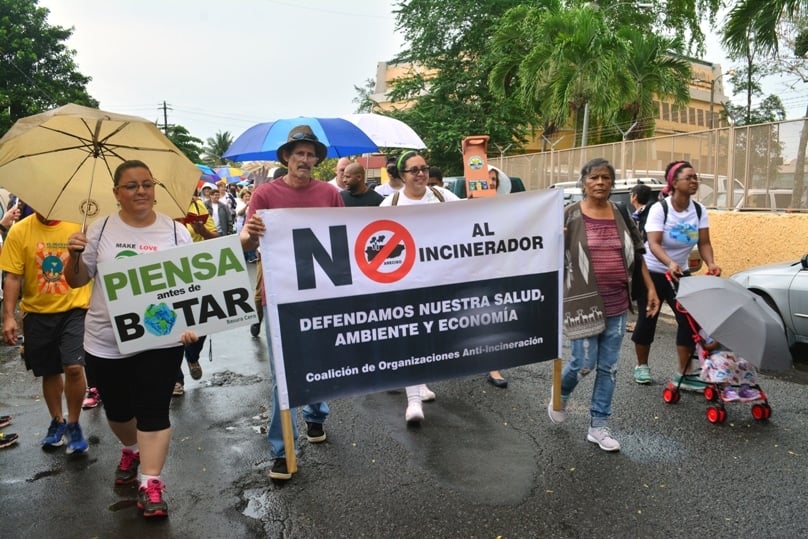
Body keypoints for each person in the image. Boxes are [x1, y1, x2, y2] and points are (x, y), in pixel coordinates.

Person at [65, 159, 196, 518]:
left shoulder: (174, 232)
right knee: (120, 409)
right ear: (116, 193)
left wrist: (191, 323)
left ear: (155, 189)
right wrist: (73, 255)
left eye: (147, 184)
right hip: (106, 339)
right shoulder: (99, 229)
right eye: (131, 185)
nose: (141, 191)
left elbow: (191, 286)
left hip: (161, 337)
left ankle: (150, 482)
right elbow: (76, 281)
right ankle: (131, 447)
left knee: (153, 407)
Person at [240, 125, 343, 481]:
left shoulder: (330, 193)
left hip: (320, 293)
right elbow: (246, 244)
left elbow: (343, 235)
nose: (305, 159)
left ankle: (316, 415)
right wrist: (249, 235)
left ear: (317, 160)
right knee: (281, 373)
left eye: (310, 154)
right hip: (279, 294)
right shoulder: (265, 195)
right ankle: (283, 449)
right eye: (298, 153)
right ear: (286, 157)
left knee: (318, 358)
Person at [547, 158, 660, 452]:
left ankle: (598, 425)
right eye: (594, 177)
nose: (600, 182)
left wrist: (650, 289)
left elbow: (638, 253)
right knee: (583, 363)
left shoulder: (621, 213)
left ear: (612, 183)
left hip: (618, 303)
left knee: (608, 368)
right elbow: (547, 254)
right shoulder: (568, 215)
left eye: (606, 178)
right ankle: (560, 394)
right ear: (583, 182)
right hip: (581, 302)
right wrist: (554, 240)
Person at [0, 209, 92, 455]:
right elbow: (12, 277)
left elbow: (93, 265)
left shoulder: (78, 224)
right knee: (50, 371)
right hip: (37, 313)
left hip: (75, 309)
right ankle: (57, 421)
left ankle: (73, 424)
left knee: (74, 367)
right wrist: (9, 316)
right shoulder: (20, 231)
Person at [380, 151, 459, 424]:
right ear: (402, 175)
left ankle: (421, 382)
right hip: (403, 281)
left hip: (438, 277)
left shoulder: (442, 197)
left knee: (430, 335)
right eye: (414, 170)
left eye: (424, 168)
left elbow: (473, 218)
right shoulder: (389, 204)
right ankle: (413, 400)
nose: (421, 174)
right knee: (410, 335)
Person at [631, 160, 721, 388]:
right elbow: (654, 243)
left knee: (688, 320)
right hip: (652, 271)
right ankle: (642, 365)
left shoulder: (698, 210)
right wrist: (670, 262)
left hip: (680, 273)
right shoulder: (659, 209)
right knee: (648, 318)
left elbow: (704, 242)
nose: (694, 181)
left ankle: (684, 373)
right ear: (674, 182)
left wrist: (711, 262)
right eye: (688, 177)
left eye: (695, 177)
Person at [174, 195, 220, 396]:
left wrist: (202, 231)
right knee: (170, 326)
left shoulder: (197, 205)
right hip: (170, 275)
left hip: (197, 271)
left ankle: (192, 356)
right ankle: (176, 379)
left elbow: (217, 238)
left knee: (203, 320)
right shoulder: (156, 213)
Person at [249, 166, 286, 338]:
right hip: (266, 255)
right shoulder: (266, 196)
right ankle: (258, 319)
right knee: (260, 294)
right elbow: (251, 228)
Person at [483, 166, 508, 389]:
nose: (490, 183)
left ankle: (494, 366)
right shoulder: (461, 207)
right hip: (467, 275)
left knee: (495, 320)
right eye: (485, 179)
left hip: (496, 273)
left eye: (493, 180)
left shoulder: (504, 209)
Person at [696, 329, 760, 401]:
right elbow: (705, 347)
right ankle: (727, 390)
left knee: (745, 363)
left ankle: (745, 388)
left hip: (731, 354)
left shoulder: (730, 329)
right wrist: (718, 339)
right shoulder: (705, 331)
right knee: (723, 364)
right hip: (716, 355)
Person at [625, 183, 654, 334]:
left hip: (648, 260)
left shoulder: (648, 213)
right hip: (642, 259)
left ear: (634, 196)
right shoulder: (638, 213)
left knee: (646, 293)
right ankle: (640, 322)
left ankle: (641, 324)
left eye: (631, 194)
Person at [236, 188, 258, 263]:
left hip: (249, 224)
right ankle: (245, 256)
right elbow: (239, 213)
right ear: (242, 197)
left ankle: (251, 256)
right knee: (243, 240)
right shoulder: (240, 204)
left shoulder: (253, 204)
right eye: (246, 196)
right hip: (241, 225)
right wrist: (246, 206)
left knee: (250, 238)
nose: (247, 198)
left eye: (249, 196)